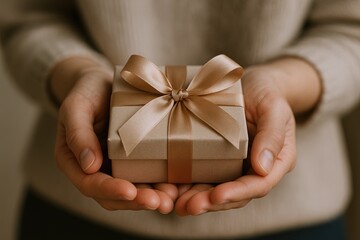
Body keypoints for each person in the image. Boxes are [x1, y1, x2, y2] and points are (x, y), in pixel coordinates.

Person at [1, 0, 360, 239]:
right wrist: (77, 75)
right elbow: (28, 18)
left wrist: (282, 85)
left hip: (295, 220)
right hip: (72, 218)